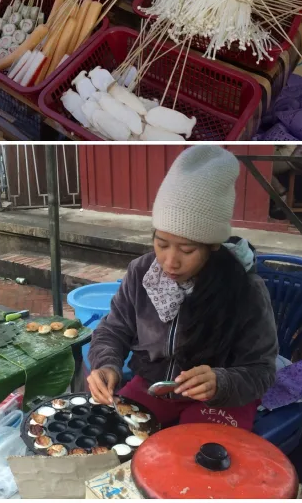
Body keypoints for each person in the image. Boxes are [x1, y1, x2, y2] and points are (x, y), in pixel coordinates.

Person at [87, 146, 279, 431]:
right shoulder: (141, 272)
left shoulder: (246, 290)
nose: (169, 261)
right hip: (154, 388)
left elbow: (261, 370)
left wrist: (221, 382)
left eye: (187, 249)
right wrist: (106, 364)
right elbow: (113, 329)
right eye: (161, 243)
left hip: (220, 399)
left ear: (212, 246)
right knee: (108, 437)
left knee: (195, 459)